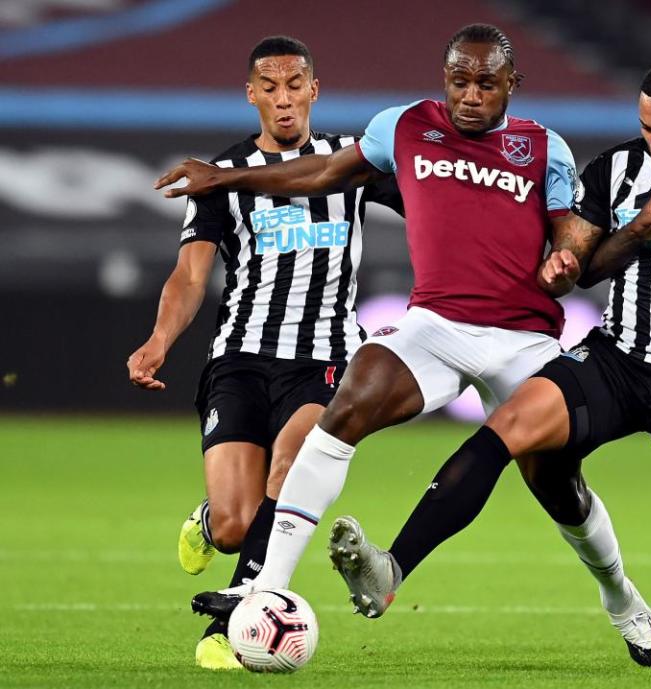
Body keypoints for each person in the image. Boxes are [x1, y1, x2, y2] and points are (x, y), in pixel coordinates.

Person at [156, 24, 651, 667]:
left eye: (486, 83)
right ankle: (265, 587)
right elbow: (322, 170)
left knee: (558, 487)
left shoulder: (546, 148)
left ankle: (621, 599)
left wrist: (568, 263)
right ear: (444, 79)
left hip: (525, 340)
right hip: (434, 325)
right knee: (347, 405)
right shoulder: (402, 127)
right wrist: (224, 179)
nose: (470, 95)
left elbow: (573, 244)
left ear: (513, 83)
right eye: (459, 80)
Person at [325, 59, 651, 665]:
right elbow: (584, 264)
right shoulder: (615, 171)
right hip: (618, 361)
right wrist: (614, 240)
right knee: (508, 427)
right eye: (649, 127)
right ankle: (392, 570)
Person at [128, 35, 402, 670]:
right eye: (270, 87)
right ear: (251, 94)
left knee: (290, 466)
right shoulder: (220, 176)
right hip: (241, 360)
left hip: (326, 358)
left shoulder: (352, 163)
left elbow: (430, 202)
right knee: (233, 526)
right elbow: (190, 277)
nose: (284, 100)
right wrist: (159, 340)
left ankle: (234, 622)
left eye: (295, 85)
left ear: (314, 89)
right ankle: (208, 521)